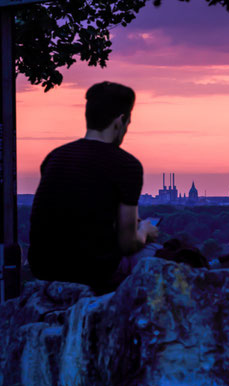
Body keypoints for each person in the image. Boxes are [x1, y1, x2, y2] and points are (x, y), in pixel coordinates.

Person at [28, 82, 159, 294]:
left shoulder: (55, 157)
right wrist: (145, 231)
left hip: (44, 267)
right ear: (120, 121)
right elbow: (128, 244)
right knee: (157, 255)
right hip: (94, 270)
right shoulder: (127, 165)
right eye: (128, 123)